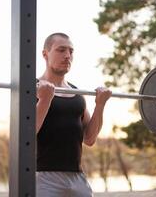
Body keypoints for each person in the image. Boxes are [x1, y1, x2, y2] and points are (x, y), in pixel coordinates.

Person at [36, 32, 112, 197]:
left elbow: (90, 139)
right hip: (42, 177)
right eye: (61, 50)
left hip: (77, 178)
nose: (67, 56)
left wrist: (100, 105)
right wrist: (44, 100)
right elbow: (26, 133)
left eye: (71, 51)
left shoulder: (78, 94)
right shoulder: (33, 89)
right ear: (45, 54)